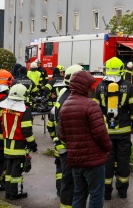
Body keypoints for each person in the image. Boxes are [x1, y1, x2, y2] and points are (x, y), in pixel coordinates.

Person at [59, 70, 112, 208]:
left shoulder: (64, 106)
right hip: (94, 161)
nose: (92, 89)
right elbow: (100, 134)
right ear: (84, 86)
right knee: (96, 195)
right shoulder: (91, 105)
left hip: (75, 161)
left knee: (79, 194)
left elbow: (62, 135)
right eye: (90, 86)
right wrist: (108, 148)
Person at [93, 56, 133, 199]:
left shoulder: (100, 86)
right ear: (121, 70)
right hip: (124, 132)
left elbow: (95, 110)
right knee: (123, 161)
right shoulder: (128, 85)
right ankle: (122, 191)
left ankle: (106, 193)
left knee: (106, 162)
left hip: (106, 132)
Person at [47, 64, 81, 206]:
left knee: (62, 172)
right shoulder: (70, 98)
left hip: (61, 144)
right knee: (69, 179)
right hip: (68, 147)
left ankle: (60, 191)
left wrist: (54, 138)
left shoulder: (63, 95)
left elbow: (51, 119)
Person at [0, 83, 37, 200]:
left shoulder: (5, 109)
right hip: (18, 145)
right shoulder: (24, 110)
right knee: (17, 170)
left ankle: (8, 192)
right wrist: (33, 144)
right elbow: (27, 131)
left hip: (7, 144)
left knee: (9, 169)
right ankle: (15, 194)